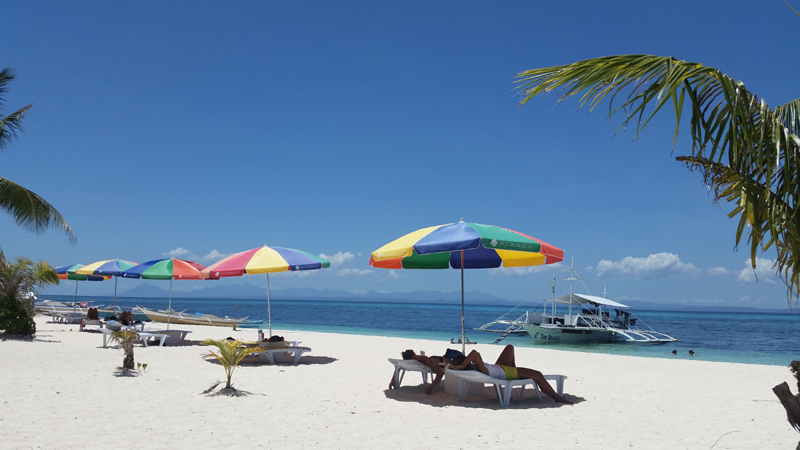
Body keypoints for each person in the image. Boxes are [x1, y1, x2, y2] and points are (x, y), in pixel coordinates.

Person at [448, 345, 572, 404]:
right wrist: (463, 365)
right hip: (508, 373)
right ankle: (557, 398)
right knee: (538, 375)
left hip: (500, 367)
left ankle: (518, 370)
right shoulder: (480, 369)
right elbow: (475, 352)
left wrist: (455, 364)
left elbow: (471, 356)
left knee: (509, 347)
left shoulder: (475, 367)